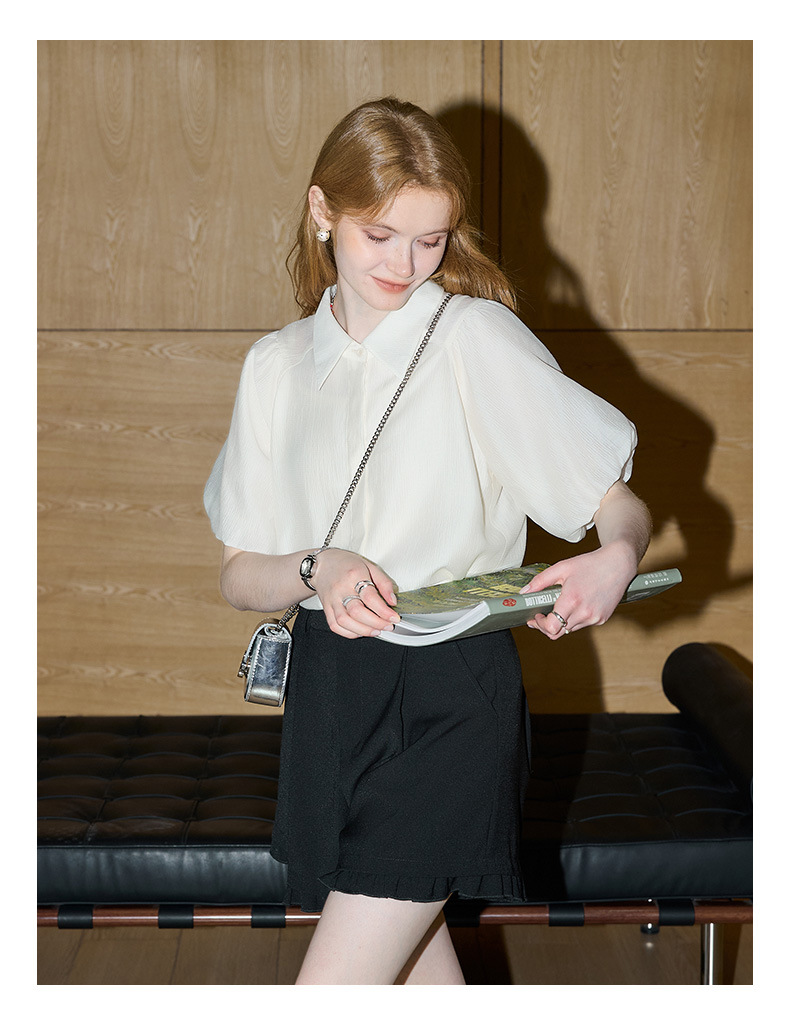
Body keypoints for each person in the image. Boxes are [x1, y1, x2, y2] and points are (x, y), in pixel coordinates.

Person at [204, 97, 651, 985]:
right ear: (322, 210)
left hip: (452, 693)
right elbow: (239, 573)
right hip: (331, 693)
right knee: (412, 984)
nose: (405, 265)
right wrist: (316, 567)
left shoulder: (472, 338)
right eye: (380, 235)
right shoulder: (275, 366)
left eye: (430, 240)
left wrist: (618, 556)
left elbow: (616, 500)